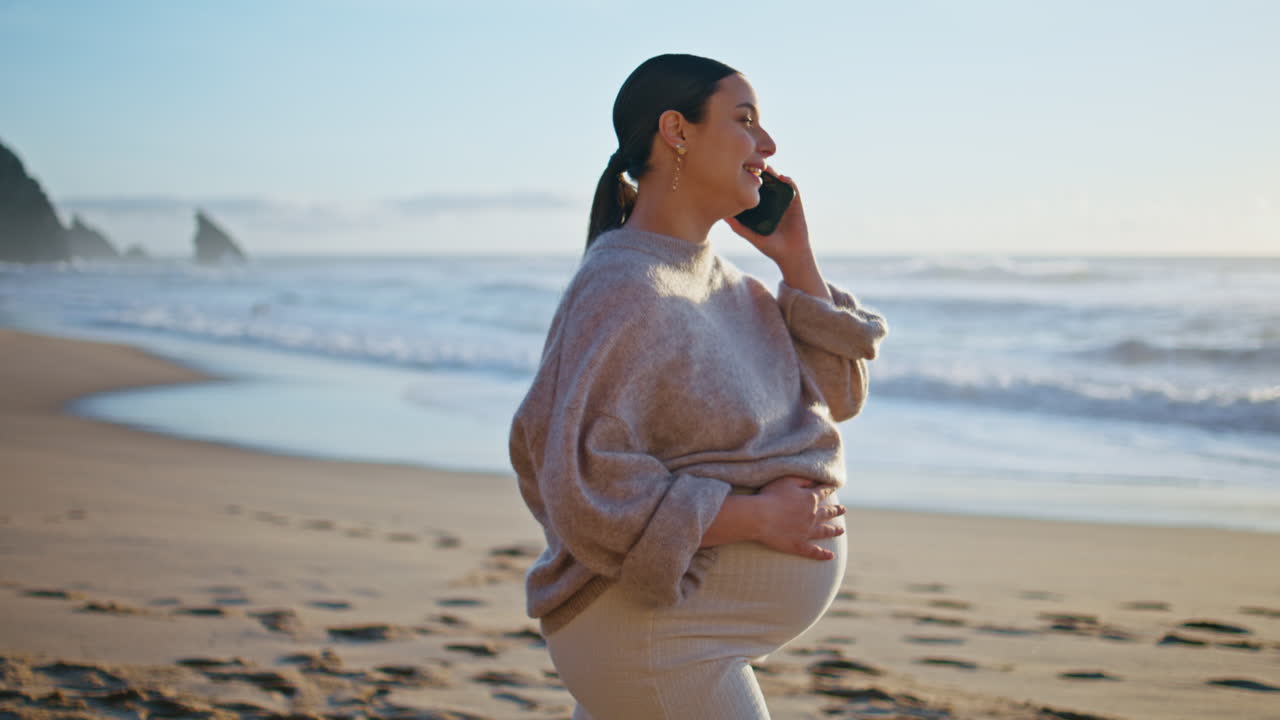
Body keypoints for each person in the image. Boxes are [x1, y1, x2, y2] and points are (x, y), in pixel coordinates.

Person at [508, 53, 888, 720]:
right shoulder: (624, 287)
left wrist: (797, 260)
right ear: (677, 132)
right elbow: (582, 480)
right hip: (653, 641)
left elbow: (842, 394)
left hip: (668, 639)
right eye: (745, 122)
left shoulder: (730, 288)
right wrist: (754, 517)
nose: (767, 146)